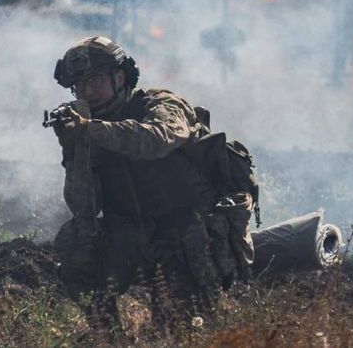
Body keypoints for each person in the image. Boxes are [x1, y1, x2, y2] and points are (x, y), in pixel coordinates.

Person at [48, 36, 254, 332]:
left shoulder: (161, 104)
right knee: (75, 241)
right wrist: (75, 149)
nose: (87, 92)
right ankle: (107, 335)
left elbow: (155, 140)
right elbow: (83, 207)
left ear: (119, 78)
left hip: (189, 229)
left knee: (179, 327)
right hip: (135, 232)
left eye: (95, 81)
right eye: (79, 86)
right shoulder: (89, 130)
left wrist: (89, 130)